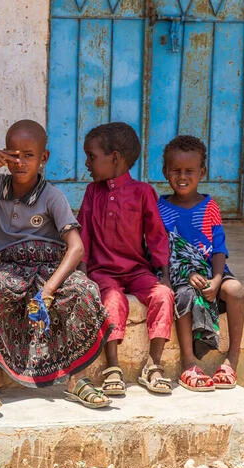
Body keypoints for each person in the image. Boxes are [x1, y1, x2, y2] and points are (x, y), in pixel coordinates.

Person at [0, 120, 112, 408]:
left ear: (43, 158)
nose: (20, 162)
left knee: (84, 290)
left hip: (50, 268)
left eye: (29, 155)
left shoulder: (52, 196)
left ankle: (77, 379)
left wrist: (49, 289)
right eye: (13, 154)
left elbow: (76, 247)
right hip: (13, 267)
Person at [78, 122, 174, 396]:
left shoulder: (143, 193)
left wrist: (163, 274)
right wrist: (83, 272)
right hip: (103, 272)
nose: (87, 163)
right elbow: (82, 234)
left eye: (92, 157)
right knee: (113, 301)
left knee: (163, 296)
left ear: (115, 158)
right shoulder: (91, 192)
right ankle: (112, 366)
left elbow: (156, 235)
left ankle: (154, 365)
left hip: (136, 271)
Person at [157, 135, 244, 391]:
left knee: (235, 290)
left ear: (202, 172)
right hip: (179, 276)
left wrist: (217, 280)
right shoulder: (159, 207)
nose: (182, 177)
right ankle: (188, 363)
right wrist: (170, 277)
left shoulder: (210, 206)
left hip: (211, 272)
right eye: (176, 171)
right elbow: (161, 248)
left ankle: (232, 359)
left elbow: (218, 248)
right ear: (165, 172)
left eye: (190, 171)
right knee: (181, 296)